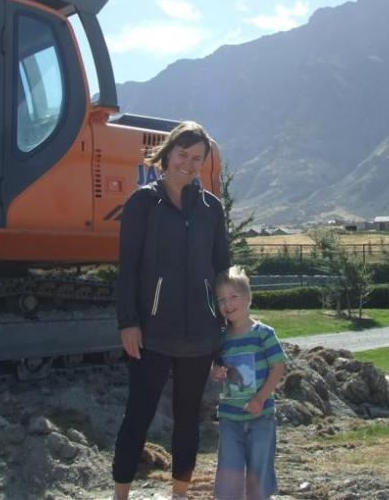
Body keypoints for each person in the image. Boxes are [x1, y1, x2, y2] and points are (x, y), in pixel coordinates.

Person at [112, 120, 230, 500]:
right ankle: (120, 495)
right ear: (168, 153)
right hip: (151, 333)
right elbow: (128, 266)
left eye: (198, 158)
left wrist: (226, 329)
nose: (189, 164)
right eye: (184, 154)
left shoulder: (212, 209)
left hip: (200, 335)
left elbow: (222, 270)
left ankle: (179, 494)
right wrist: (128, 322)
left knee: (188, 420)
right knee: (138, 417)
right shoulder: (142, 202)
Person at [211, 266, 287, 500]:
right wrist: (216, 371)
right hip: (229, 419)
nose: (228, 304)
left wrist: (260, 398)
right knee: (228, 476)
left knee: (259, 475)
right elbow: (216, 368)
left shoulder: (263, 333)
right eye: (222, 299)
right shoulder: (221, 339)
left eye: (234, 297)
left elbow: (279, 367)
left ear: (249, 298)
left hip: (261, 418)